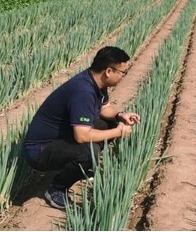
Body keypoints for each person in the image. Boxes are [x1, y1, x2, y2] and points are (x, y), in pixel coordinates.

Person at [23, 46, 141, 209]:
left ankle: (81, 167)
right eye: (122, 72)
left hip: (61, 138)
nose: (123, 76)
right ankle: (57, 189)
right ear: (108, 71)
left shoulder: (97, 82)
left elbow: (104, 110)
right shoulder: (83, 91)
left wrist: (120, 115)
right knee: (88, 151)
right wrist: (120, 131)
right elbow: (82, 136)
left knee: (108, 124)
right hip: (39, 151)